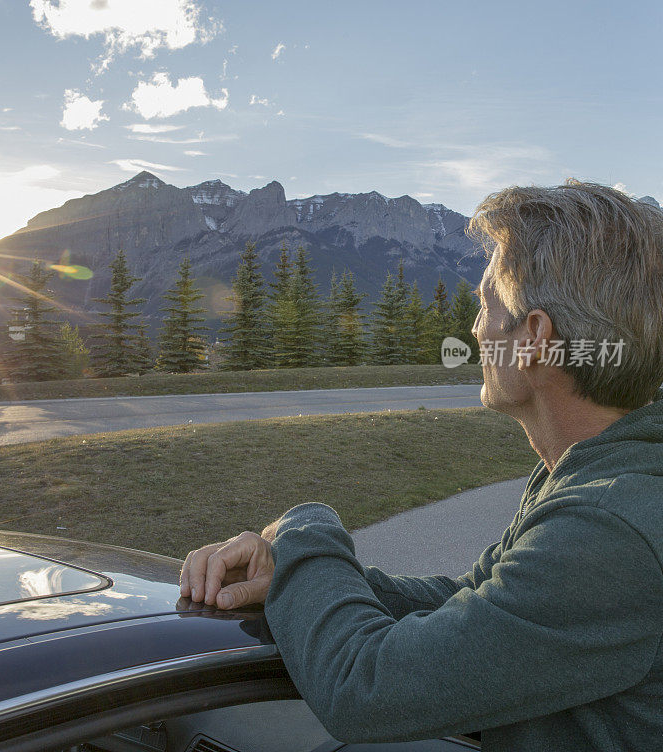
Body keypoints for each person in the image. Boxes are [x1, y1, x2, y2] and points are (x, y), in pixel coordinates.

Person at [179, 181, 663, 751]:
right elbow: (476, 604)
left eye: (485, 303)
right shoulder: (596, 480)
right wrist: (290, 581)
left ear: (532, 337)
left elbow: (366, 686)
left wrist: (300, 532)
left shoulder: (608, 528)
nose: (476, 329)